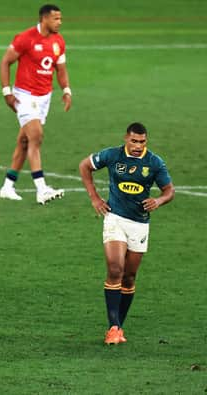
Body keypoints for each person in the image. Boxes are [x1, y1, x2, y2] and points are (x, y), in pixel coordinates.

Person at [79, 122, 174, 345]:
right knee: (115, 268)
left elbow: (169, 191)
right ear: (126, 139)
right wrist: (94, 197)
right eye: (134, 141)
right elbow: (85, 166)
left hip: (140, 224)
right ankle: (113, 327)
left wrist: (158, 200)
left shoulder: (154, 162)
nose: (137, 146)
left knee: (129, 277)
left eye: (142, 142)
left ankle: (118, 326)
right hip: (115, 218)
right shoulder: (112, 156)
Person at [0, 4, 71, 204]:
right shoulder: (25, 38)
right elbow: (5, 62)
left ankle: (7, 186)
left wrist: (66, 90)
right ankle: (41, 189)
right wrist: (7, 92)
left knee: (24, 141)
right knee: (36, 136)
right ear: (44, 19)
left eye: (60, 19)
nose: (59, 22)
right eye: (56, 19)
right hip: (25, 96)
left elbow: (61, 69)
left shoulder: (59, 41)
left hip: (44, 98)